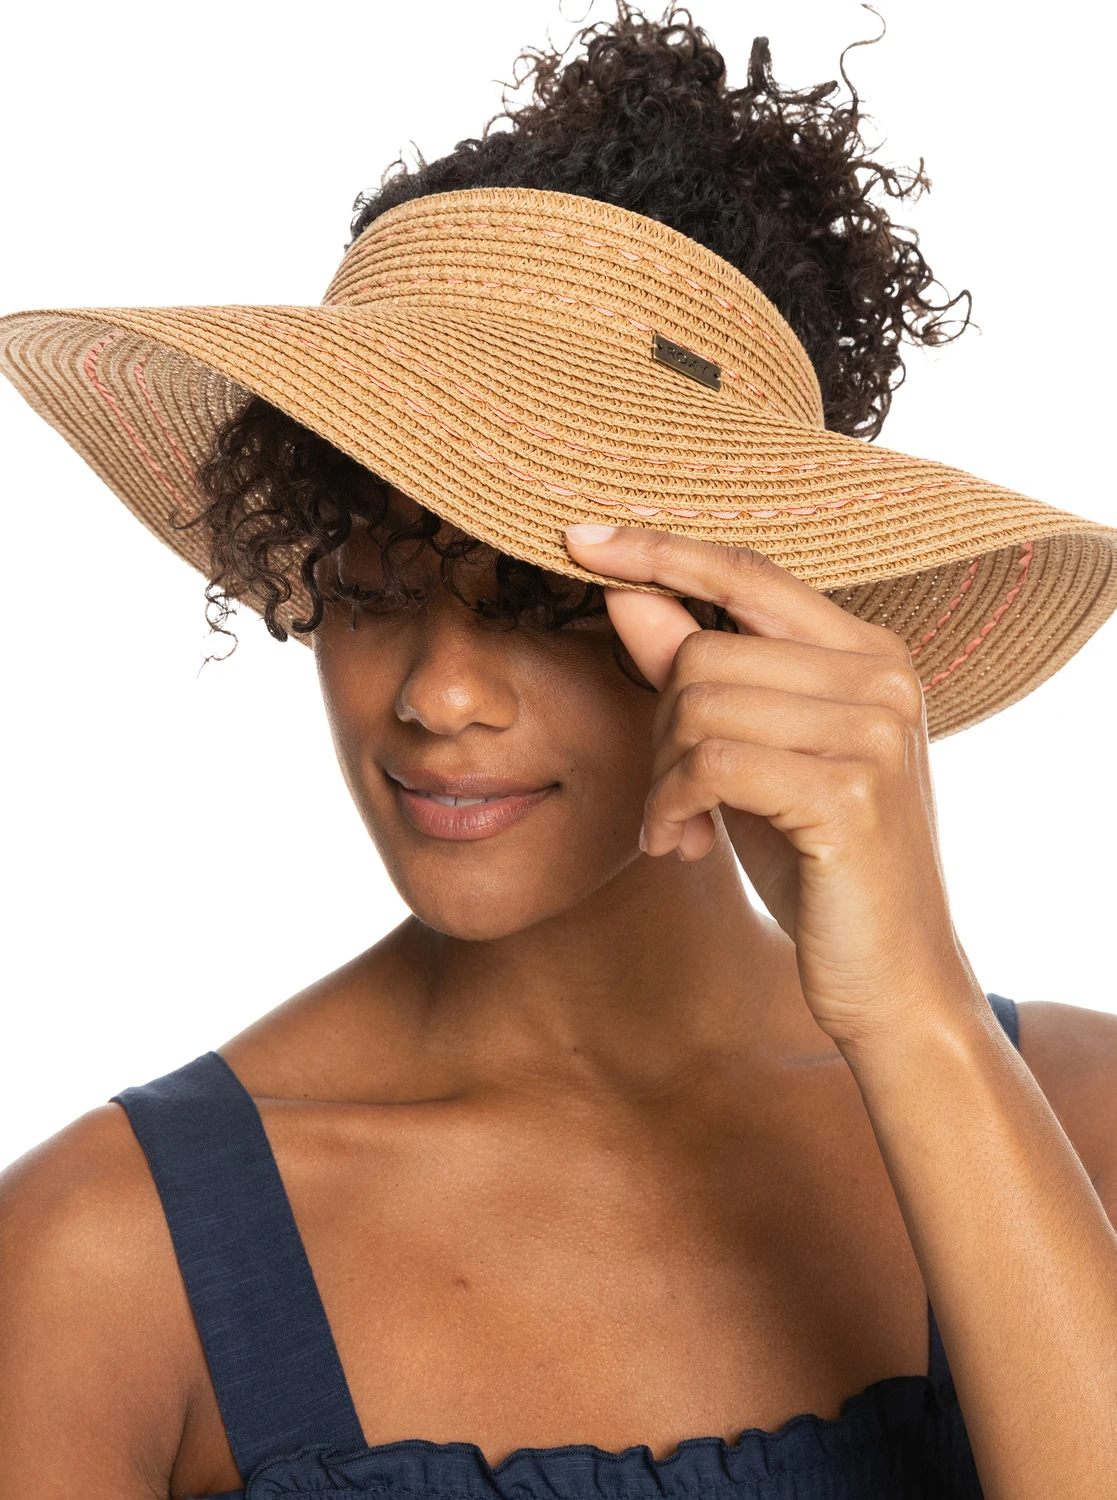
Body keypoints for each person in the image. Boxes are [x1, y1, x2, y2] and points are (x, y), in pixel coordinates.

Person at [1, 6, 1115, 1498]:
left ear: (755, 614)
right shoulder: (102, 1261)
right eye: (370, 587)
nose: (440, 695)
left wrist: (916, 1012)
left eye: (542, 601)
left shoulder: (1081, 1126)